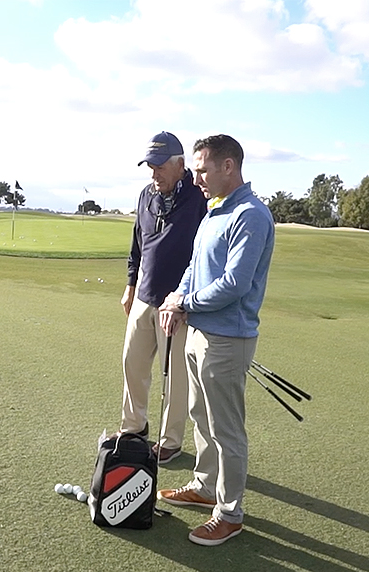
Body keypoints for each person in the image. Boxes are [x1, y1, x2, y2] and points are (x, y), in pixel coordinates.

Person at [157, 134, 275, 546]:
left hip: (228, 338)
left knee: (227, 431)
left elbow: (235, 284)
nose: (197, 177)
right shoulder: (214, 213)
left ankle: (229, 513)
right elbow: (194, 266)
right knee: (199, 416)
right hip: (200, 331)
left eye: (203, 169)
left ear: (229, 166)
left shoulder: (251, 215)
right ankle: (206, 487)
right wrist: (176, 297)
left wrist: (185, 302)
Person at [118, 131, 206, 464]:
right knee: (133, 363)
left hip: (177, 304)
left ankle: (170, 442)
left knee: (176, 377)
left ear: (180, 165)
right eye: (150, 167)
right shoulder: (146, 195)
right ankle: (134, 428)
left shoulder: (198, 198)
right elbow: (137, 244)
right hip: (143, 295)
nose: (154, 174)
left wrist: (185, 299)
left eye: (159, 167)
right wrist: (130, 284)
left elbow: (204, 254)